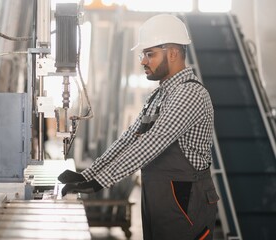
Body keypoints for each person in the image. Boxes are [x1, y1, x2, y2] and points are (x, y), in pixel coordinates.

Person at [58, 14, 219, 240]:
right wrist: (87, 175)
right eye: (143, 54)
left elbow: (152, 143)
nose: (143, 60)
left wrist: (99, 183)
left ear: (173, 53)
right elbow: (128, 141)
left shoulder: (190, 93)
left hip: (186, 203)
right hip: (161, 201)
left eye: (149, 54)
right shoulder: (159, 95)